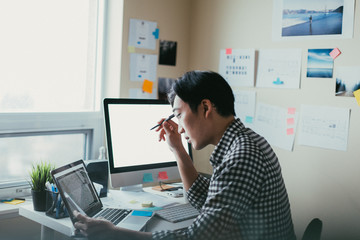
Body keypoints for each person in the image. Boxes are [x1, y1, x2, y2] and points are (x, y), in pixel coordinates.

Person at [74, 70, 296, 240]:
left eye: (179, 115)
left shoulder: (241, 157)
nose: (179, 128)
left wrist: (114, 233)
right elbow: (203, 200)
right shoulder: (244, 141)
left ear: (205, 107)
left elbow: (196, 237)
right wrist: (178, 150)